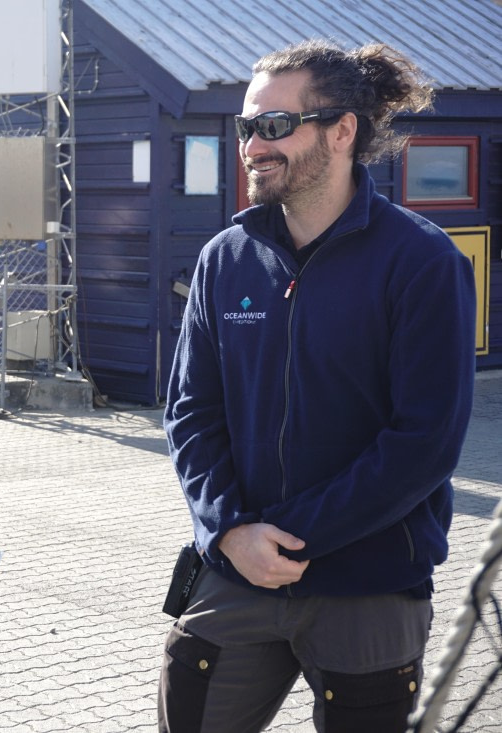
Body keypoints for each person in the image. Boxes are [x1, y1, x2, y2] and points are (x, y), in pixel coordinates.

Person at [158, 40, 477, 732]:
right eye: (247, 126)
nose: (253, 144)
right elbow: (189, 412)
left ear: (341, 131)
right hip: (236, 570)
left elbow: (424, 444)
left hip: (368, 582)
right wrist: (229, 529)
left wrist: (291, 536)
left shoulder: (422, 263)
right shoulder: (226, 259)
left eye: (275, 126)